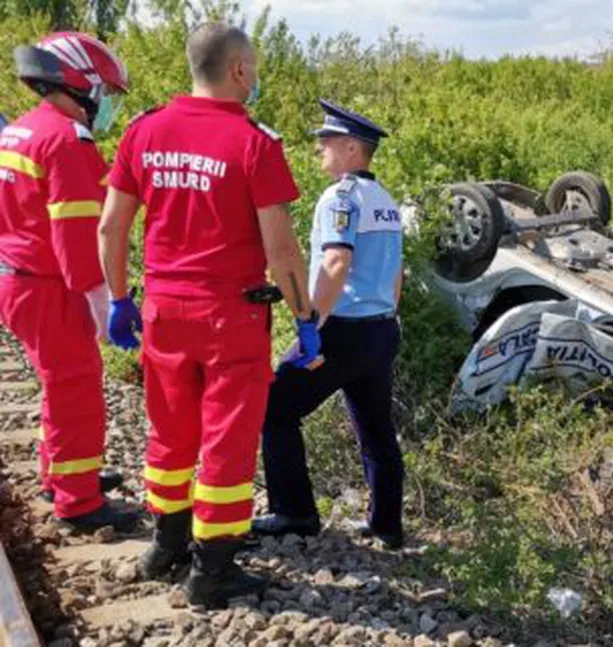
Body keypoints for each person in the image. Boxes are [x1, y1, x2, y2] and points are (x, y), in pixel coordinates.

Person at [98, 23, 321, 607]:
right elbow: (281, 251)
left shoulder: (143, 131)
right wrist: (304, 316)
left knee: (169, 429)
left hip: (164, 309)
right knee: (225, 438)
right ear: (240, 71)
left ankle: (165, 545)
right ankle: (212, 570)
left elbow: (110, 225)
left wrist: (121, 299)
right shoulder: (256, 143)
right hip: (230, 316)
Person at [252, 99, 406, 549]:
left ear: (353, 149)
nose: (319, 146)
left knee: (275, 407)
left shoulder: (340, 197)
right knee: (376, 427)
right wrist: (387, 318)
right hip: (380, 328)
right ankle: (387, 525)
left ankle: (294, 512)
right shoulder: (386, 201)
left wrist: (311, 326)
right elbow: (395, 273)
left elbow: (336, 262)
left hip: (341, 330)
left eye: (328, 140)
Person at [0, 32, 137, 533]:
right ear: (82, 83)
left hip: (18, 280)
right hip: (51, 286)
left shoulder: (18, 130)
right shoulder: (66, 140)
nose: (105, 107)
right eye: (105, 94)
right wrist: (102, 299)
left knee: (58, 387)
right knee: (77, 388)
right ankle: (78, 501)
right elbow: (77, 233)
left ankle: (57, 475)